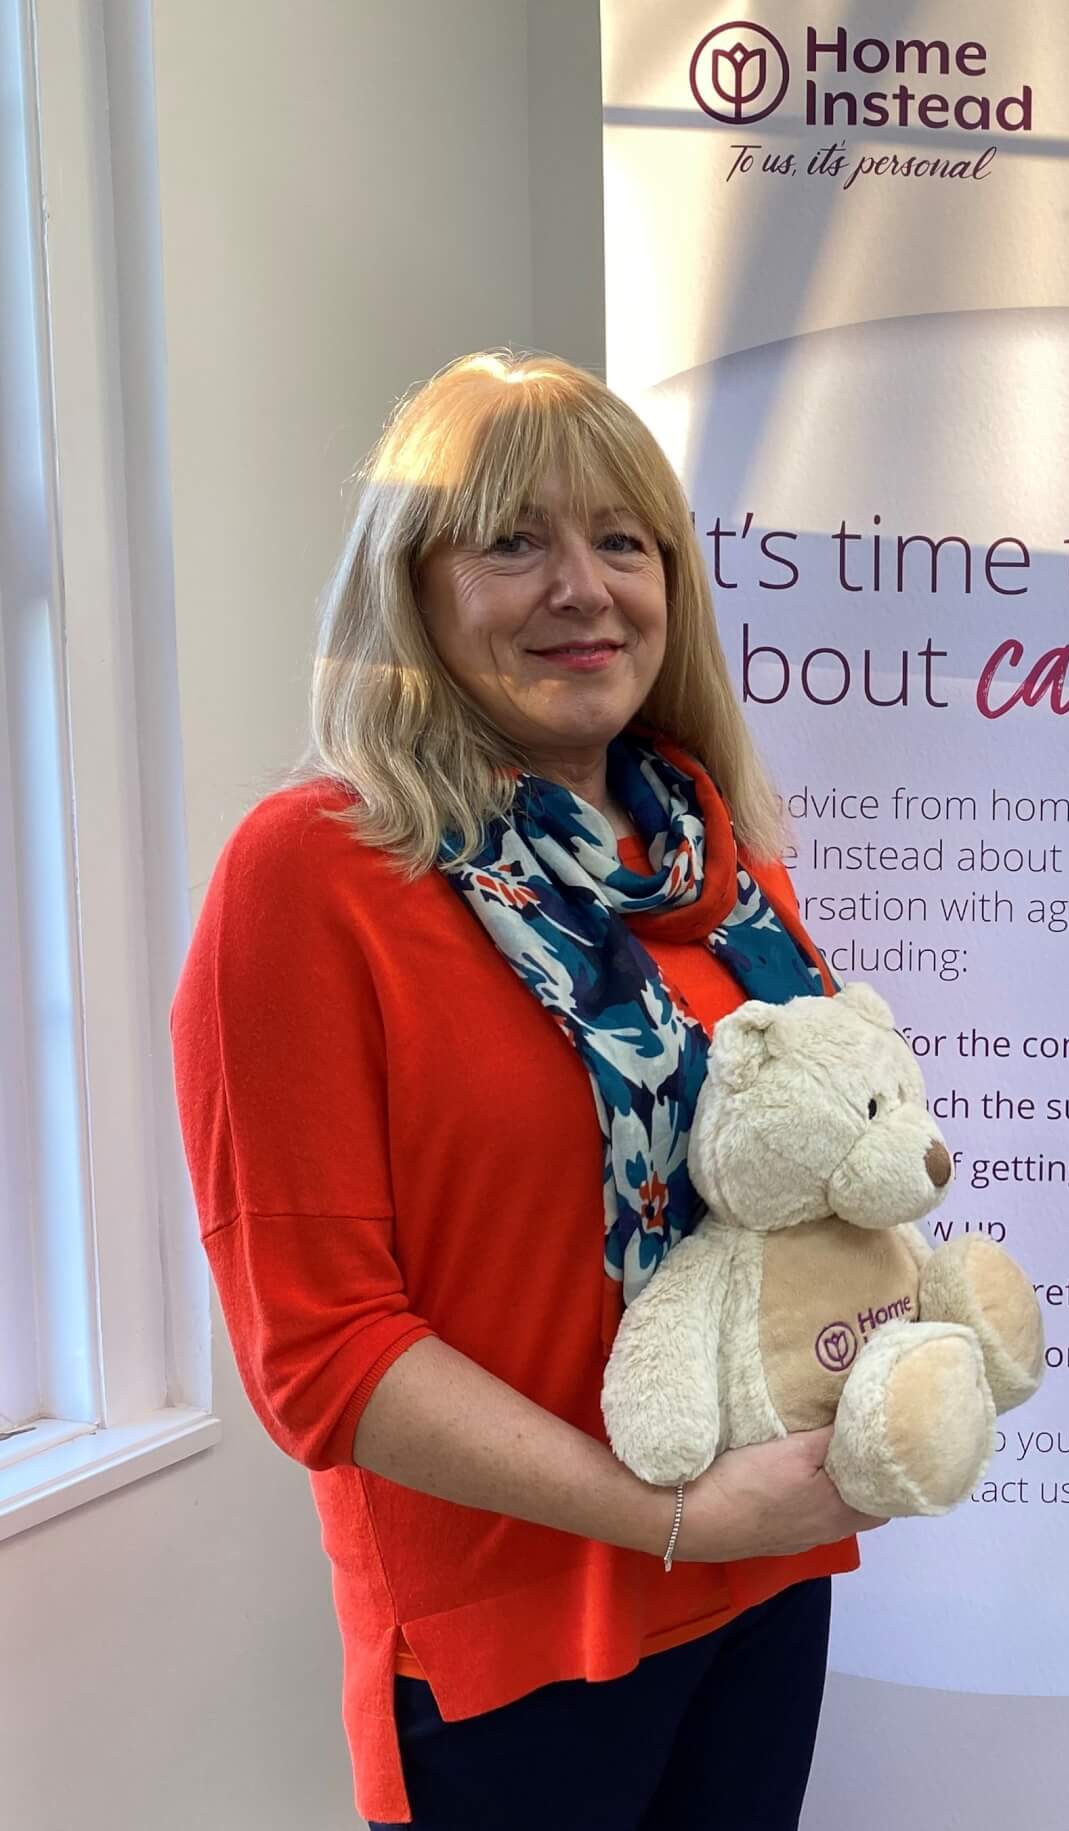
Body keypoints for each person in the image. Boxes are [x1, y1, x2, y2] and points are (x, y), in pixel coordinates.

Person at [172, 352, 880, 1829]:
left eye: (624, 542)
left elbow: (802, 1186)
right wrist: (673, 1515)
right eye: (514, 541)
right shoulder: (317, 874)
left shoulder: (715, 865)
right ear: (411, 589)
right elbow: (325, 1354)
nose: (584, 588)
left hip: (760, 1582)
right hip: (511, 1641)